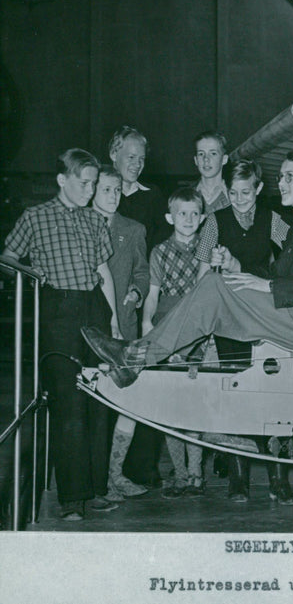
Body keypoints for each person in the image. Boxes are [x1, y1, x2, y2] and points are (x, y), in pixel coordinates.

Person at [82, 149, 293, 505]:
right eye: (282, 176)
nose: (282, 182)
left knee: (213, 287)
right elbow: (278, 277)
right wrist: (241, 271)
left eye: (291, 176)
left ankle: (136, 357)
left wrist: (266, 286)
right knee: (217, 286)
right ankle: (139, 357)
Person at [3, 149, 120, 521]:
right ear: (62, 180)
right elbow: (6, 258)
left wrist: (114, 321)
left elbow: (104, 269)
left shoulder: (94, 221)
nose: (90, 190)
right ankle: (72, 499)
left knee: (100, 403)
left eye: (93, 183)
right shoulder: (34, 217)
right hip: (58, 312)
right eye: (83, 183)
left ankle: (97, 490)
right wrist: (34, 276)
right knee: (69, 404)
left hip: (95, 309)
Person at [195, 159, 291, 502]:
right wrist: (203, 319)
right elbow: (203, 273)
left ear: (259, 189)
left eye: (246, 193)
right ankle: (239, 480)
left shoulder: (273, 220)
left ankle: (279, 480)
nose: (239, 199)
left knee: (270, 395)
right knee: (235, 393)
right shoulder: (214, 222)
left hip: (264, 316)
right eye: (233, 193)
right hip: (229, 319)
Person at [108, 125, 168, 488]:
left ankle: (141, 466)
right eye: (130, 157)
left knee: (146, 384)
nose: (137, 164)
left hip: (138, 300)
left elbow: (156, 253)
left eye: (142, 159)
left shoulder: (154, 197)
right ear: (113, 154)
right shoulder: (99, 193)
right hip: (105, 297)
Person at [142, 187, 208, 498]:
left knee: (194, 407)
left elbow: (207, 297)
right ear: (170, 217)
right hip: (167, 331)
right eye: (182, 213)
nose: (189, 219)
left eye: (195, 213)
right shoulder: (159, 252)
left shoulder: (207, 251)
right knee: (170, 408)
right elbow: (152, 295)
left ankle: (196, 474)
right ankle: (179, 475)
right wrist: (147, 325)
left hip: (195, 332)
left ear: (203, 217)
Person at [91, 166, 150, 500]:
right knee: (96, 405)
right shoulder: (79, 225)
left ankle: (116, 474)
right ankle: (97, 479)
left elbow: (142, 271)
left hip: (124, 325)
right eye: (106, 189)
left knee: (128, 402)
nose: (113, 196)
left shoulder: (134, 229)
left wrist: (138, 293)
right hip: (91, 323)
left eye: (117, 190)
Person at [193, 130, 231, 214]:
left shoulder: (235, 197)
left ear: (224, 159)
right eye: (201, 154)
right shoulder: (186, 196)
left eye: (213, 153)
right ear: (196, 160)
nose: (206, 159)